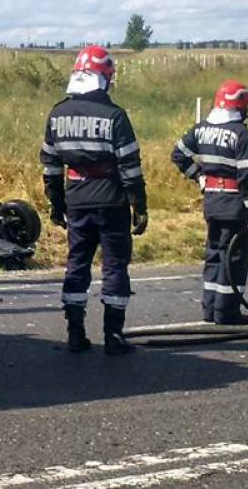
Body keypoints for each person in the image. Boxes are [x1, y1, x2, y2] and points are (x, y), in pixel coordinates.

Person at [41, 46, 147, 355]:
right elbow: (130, 166)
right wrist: (139, 205)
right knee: (114, 267)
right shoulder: (115, 115)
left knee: (77, 265)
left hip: (76, 199)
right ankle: (113, 337)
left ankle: (75, 334)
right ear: (104, 78)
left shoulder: (57, 113)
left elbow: (50, 165)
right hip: (111, 201)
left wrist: (56, 203)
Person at [171, 79, 248, 325]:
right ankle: (227, 312)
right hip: (235, 205)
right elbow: (246, 176)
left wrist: (199, 177)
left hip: (212, 202)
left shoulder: (201, 129)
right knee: (234, 257)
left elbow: (178, 154)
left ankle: (210, 308)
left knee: (214, 253)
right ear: (240, 107)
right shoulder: (243, 135)